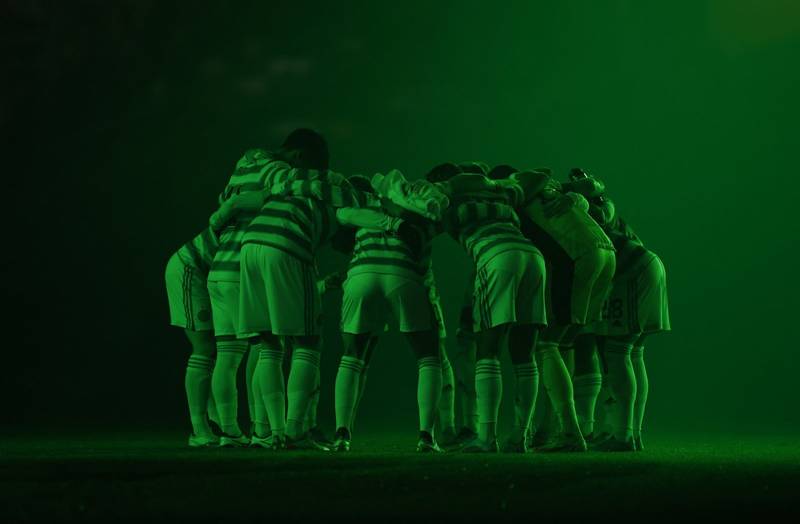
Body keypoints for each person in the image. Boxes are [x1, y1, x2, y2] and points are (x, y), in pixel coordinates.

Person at [489, 165, 616, 452]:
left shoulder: (518, 190)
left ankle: (570, 433)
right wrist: (579, 194)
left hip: (576, 255)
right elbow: (590, 188)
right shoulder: (551, 188)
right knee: (565, 344)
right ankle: (550, 430)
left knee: (546, 345)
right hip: (606, 252)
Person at [425, 164, 547, 453]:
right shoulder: (501, 194)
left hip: (496, 255)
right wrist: (492, 184)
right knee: (523, 352)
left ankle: (487, 437)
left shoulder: (446, 200)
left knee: (487, 350)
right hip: (533, 258)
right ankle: (520, 436)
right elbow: (540, 174)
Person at [568, 169, 671, 451]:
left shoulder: (594, 211)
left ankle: (623, 435)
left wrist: (573, 195)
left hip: (631, 272)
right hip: (643, 266)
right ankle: (630, 432)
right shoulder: (606, 208)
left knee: (618, 352)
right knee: (633, 352)